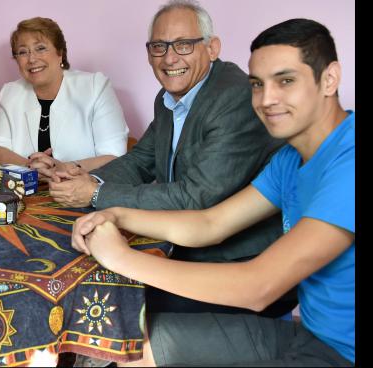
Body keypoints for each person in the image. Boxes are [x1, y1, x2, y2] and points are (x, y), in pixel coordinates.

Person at [72, 18, 354, 366]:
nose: (266, 99)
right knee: (124, 348)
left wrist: (121, 258)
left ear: (329, 79)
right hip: (308, 336)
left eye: (286, 81)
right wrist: (116, 213)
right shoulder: (289, 159)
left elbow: (258, 287)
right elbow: (209, 223)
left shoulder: (349, 161)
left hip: (341, 354)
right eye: (257, 84)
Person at [51, 0, 293, 317]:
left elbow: (197, 198)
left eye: (183, 44)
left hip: (234, 262)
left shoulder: (234, 97)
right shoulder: (168, 97)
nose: (169, 58)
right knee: (94, 286)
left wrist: (96, 194)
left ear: (212, 48)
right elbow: (141, 158)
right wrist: (88, 179)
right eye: (159, 47)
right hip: (188, 243)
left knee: (105, 305)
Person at [0, 17, 129, 179]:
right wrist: (30, 167)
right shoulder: (10, 92)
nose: (32, 59)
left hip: (83, 190)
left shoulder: (94, 86)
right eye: (22, 52)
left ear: (60, 53)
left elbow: (114, 156)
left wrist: (64, 167)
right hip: (27, 193)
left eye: (40, 48)